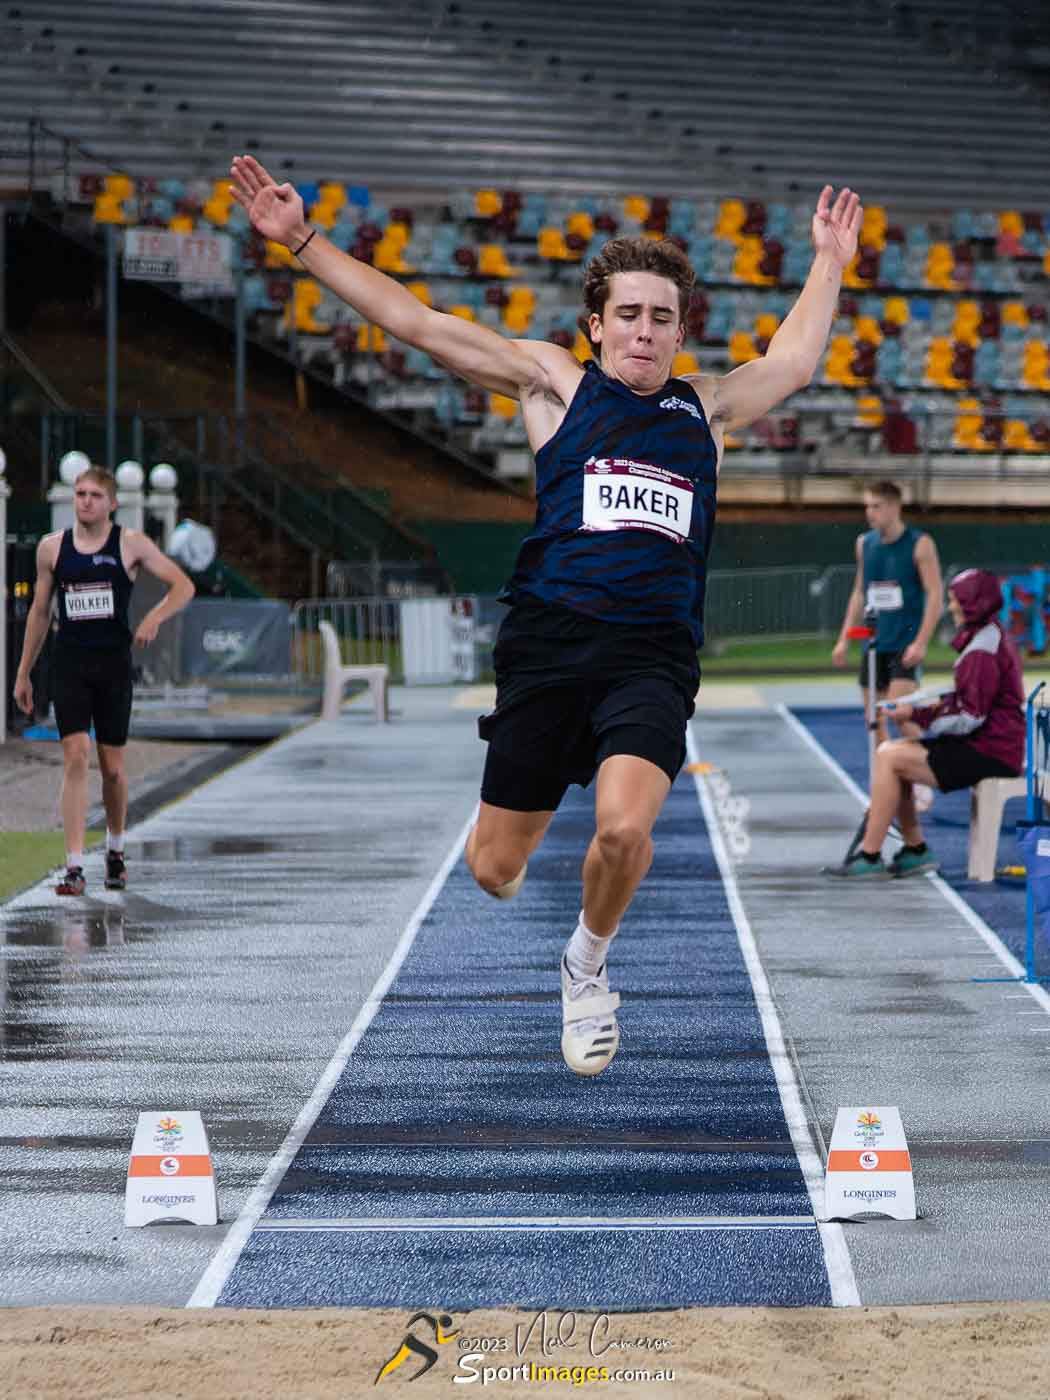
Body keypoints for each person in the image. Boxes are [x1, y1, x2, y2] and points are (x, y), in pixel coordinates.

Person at [230, 153, 861, 1075]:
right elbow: (416, 322)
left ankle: (586, 965)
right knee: (493, 869)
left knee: (623, 829)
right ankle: (524, 858)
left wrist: (830, 261)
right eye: (631, 316)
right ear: (597, 324)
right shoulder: (555, 387)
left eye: (663, 319)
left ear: (681, 333)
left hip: (652, 655)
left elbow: (797, 358)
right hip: (548, 650)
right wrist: (304, 243)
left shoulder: (707, 409)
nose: (646, 333)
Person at [13, 466, 195, 895]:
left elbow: (183, 586)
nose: (86, 501)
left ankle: (115, 849)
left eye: (95, 494)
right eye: (80, 493)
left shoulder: (130, 544)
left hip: (113, 666)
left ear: (112, 503)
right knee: (75, 755)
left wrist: (153, 617)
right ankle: (74, 866)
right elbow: (40, 612)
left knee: (112, 767)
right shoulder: (52, 549)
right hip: (70, 663)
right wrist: (23, 672)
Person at [834, 569, 1024, 878]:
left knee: (890, 755)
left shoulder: (982, 648)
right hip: (993, 745)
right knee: (894, 754)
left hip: (990, 752)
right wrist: (921, 707)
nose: (951, 608)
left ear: (974, 603)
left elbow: (969, 717)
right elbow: (971, 701)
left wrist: (915, 714)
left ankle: (871, 855)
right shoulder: (988, 636)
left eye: (955, 601)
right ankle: (914, 849)